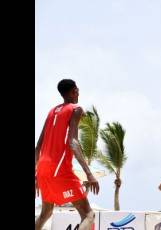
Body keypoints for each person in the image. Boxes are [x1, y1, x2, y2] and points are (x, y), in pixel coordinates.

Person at [35, 79, 100, 230]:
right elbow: (73, 142)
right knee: (89, 215)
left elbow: (38, 146)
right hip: (59, 169)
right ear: (74, 91)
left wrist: (36, 174)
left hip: (43, 170)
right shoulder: (76, 109)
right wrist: (89, 174)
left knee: (46, 213)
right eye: (78, 90)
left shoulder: (52, 112)